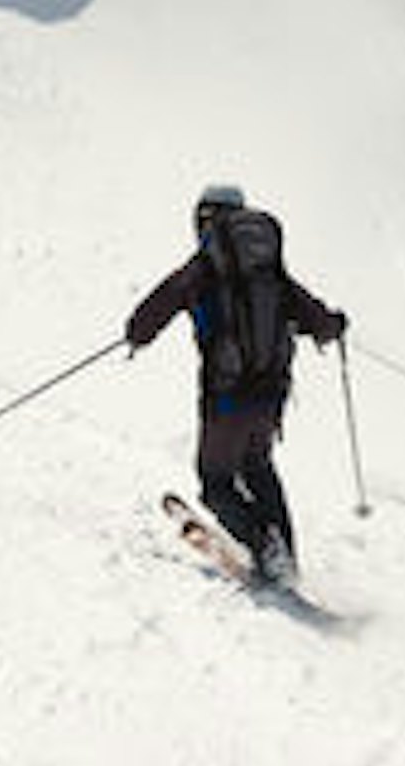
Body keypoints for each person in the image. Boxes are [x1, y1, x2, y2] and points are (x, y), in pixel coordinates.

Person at [125, 185, 347, 585]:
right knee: (259, 468)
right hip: (269, 399)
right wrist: (333, 324)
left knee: (215, 482)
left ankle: (264, 546)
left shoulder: (202, 269)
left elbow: (157, 308)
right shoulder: (271, 272)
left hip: (225, 399)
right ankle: (284, 557)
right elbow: (319, 321)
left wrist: (137, 335)